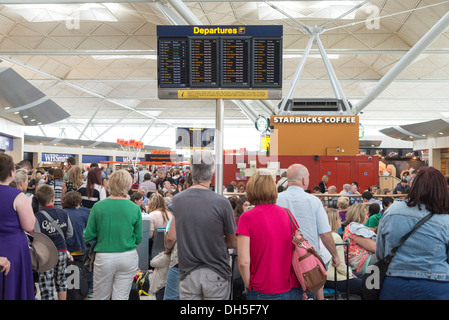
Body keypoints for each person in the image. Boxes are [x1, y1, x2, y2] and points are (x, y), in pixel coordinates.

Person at [172, 150, 236, 300]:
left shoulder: (178, 200)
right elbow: (233, 241)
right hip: (217, 271)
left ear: (192, 172)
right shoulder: (222, 202)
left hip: (188, 272)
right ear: (212, 172)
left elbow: (173, 235)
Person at [376, 167, 449, 300]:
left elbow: (380, 252)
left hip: (394, 283)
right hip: (436, 284)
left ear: (414, 186)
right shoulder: (445, 220)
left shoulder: (392, 211)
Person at [236, 170, 301, 300]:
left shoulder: (247, 217)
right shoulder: (287, 214)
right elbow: (297, 249)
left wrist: (249, 285)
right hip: (291, 287)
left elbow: (243, 261)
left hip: (262, 288)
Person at [83, 169, 142, 300]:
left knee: (100, 296)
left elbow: (88, 235)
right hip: (128, 256)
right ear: (128, 185)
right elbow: (138, 238)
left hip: (104, 256)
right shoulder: (135, 208)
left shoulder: (98, 207)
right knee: (121, 296)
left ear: (110, 183)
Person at [276, 164, 340, 268]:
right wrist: (335, 255)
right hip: (308, 259)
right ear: (304, 180)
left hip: (281, 258)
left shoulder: (275, 200)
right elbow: (324, 234)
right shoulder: (314, 201)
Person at [0, 154, 35, 300]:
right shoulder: (18, 196)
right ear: (12, 172)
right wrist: (29, 204)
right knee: (13, 288)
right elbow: (29, 226)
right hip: (14, 249)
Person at [35, 184, 73, 300]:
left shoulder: (37, 216)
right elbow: (70, 233)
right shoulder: (63, 213)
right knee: (61, 281)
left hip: (45, 254)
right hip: (61, 251)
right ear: (53, 199)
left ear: (39, 201)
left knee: (47, 284)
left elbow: (37, 237)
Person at [324, 208, 363, 298]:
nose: (341, 220)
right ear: (333, 221)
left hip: (326, 277)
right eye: (339, 218)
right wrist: (350, 274)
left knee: (365, 278)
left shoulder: (323, 236)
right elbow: (339, 265)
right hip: (334, 276)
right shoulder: (336, 237)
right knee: (369, 286)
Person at [342, 203, 376, 274]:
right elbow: (375, 248)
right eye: (366, 215)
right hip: (361, 263)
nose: (368, 217)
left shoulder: (351, 227)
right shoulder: (354, 228)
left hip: (357, 262)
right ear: (359, 215)